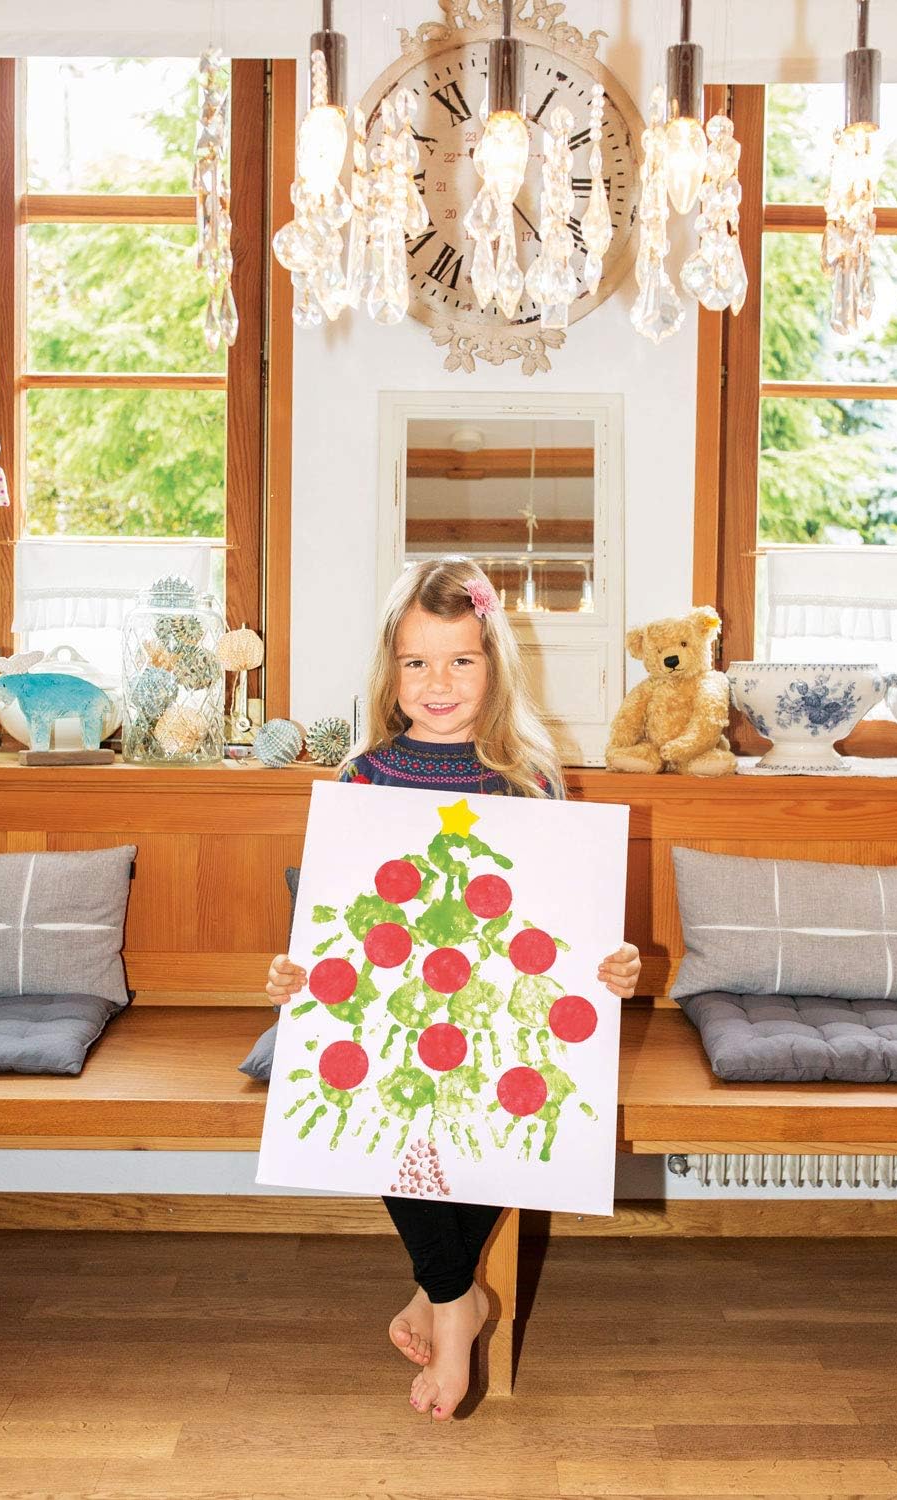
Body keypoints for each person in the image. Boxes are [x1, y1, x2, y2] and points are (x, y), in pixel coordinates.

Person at [265, 556, 641, 1420]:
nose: (438, 683)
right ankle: (453, 1297)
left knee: (525, 1092)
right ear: (390, 671)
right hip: (394, 1012)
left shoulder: (527, 777)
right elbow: (333, 923)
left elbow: (568, 922)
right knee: (393, 1095)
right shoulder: (362, 778)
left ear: (494, 664)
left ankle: (444, 1294)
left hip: (496, 1012)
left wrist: (614, 962)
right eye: (417, 662)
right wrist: (291, 971)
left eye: (460, 660)